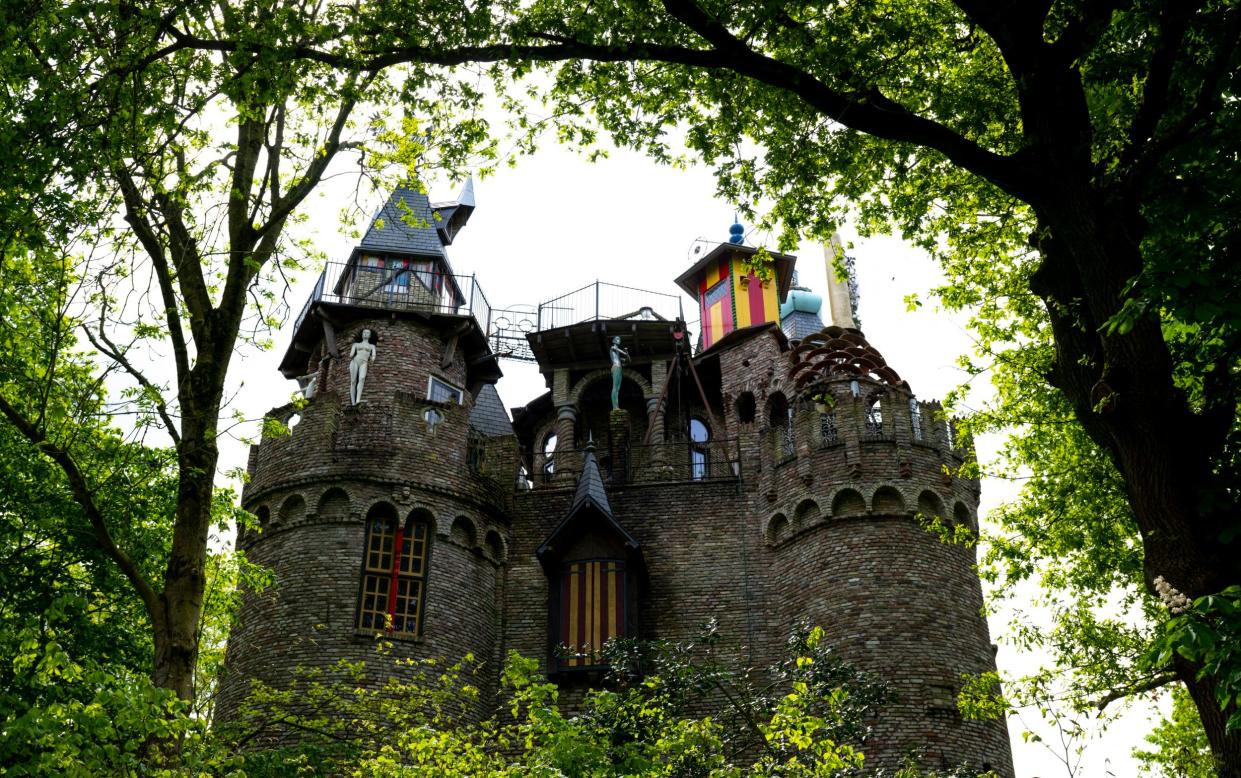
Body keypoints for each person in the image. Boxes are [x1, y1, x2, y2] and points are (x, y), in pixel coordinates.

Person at [349, 329, 377, 405]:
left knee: (362, 379)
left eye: (367, 333)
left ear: (370, 336)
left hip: (364, 362)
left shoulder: (372, 346)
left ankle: (358, 399)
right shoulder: (356, 344)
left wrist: (372, 358)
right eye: (364, 333)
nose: (365, 334)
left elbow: (373, 355)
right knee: (353, 381)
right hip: (355, 361)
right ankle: (353, 402)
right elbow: (351, 354)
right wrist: (351, 355)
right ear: (362, 334)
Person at [609, 336, 629, 411]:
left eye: (619, 339)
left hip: (619, 369)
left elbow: (628, 360)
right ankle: (614, 407)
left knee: (617, 389)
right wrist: (624, 352)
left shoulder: (618, 356)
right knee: (615, 387)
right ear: (613, 340)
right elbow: (616, 349)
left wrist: (627, 353)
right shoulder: (612, 348)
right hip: (616, 367)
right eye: (617, 339)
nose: (619, 340)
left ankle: (616, 406)